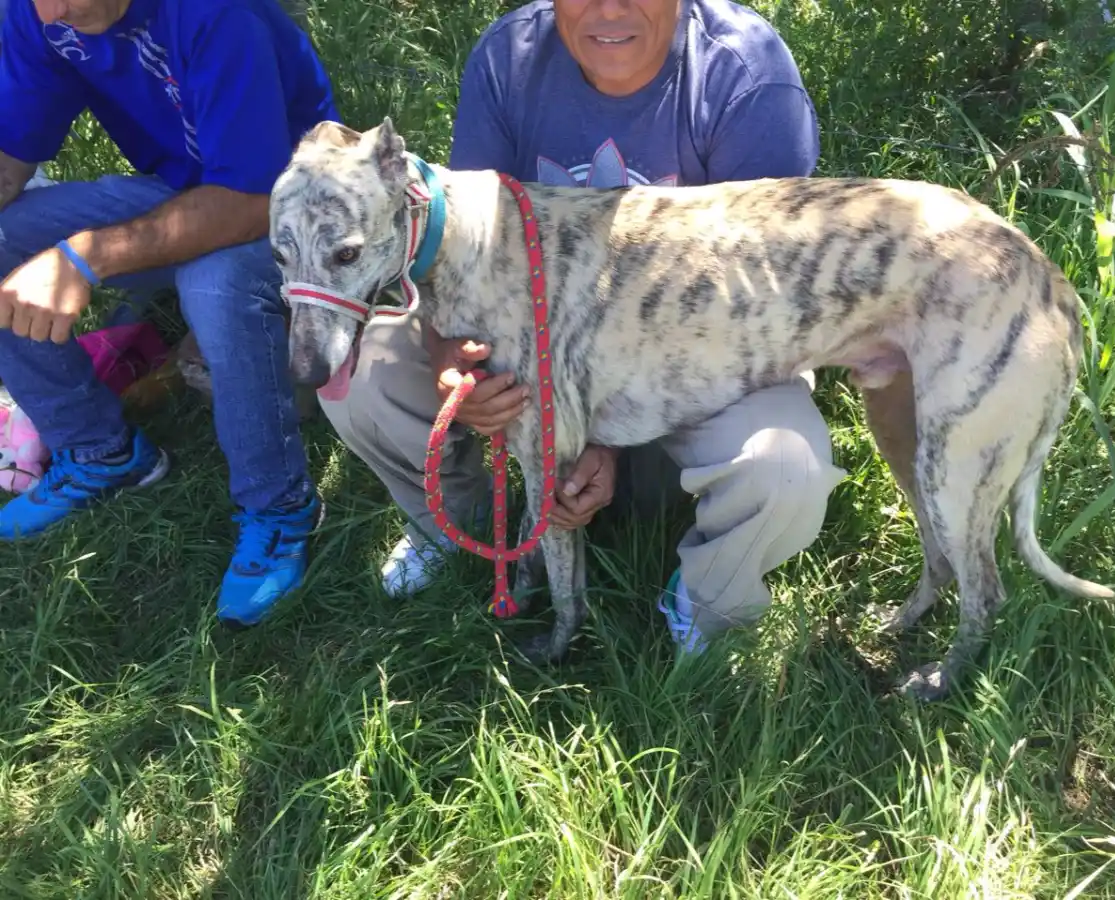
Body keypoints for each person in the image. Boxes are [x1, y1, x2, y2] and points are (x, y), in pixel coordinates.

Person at [321, 0, 847, 655]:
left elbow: (748, 306)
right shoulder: (509, 56)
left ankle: (709, 594)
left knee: (783, 468)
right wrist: (451, 357)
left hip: (697, 354)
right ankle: (463, 518)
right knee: (361, 377)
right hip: (529, 341)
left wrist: (600, 437)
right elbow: (454, 244)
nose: (609, 10)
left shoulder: (746, 78)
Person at [0, 0, 339, 626]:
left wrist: (83, 259)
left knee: (215, 284)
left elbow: (246, 201)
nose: (55, 10)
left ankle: (280, 508)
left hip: (292, 206)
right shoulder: (42, 13)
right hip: (181, 192)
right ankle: (99, 451)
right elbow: (11, 155)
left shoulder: (217, 15)